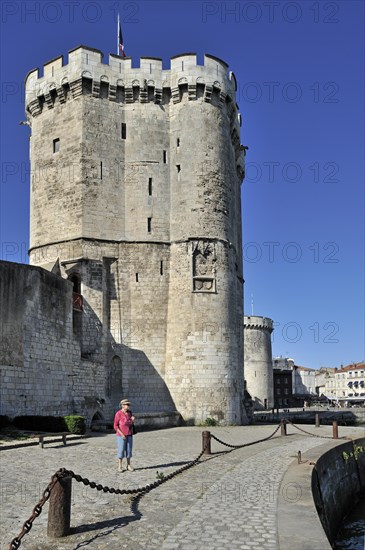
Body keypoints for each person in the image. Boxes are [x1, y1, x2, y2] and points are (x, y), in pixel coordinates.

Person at [113, 399, 135, 472]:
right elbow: (115, 426)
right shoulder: (118, 414)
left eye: (128, 405)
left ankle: (128, 465)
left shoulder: (129, 413)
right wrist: (121, 434)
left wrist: (132, 420)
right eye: (127, 404)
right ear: (122, 405)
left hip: (129, 434)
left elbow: (130, 424)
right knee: (121, 450)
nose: (128, 406)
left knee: (129, 450)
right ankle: (120, 466)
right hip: (121, 435)